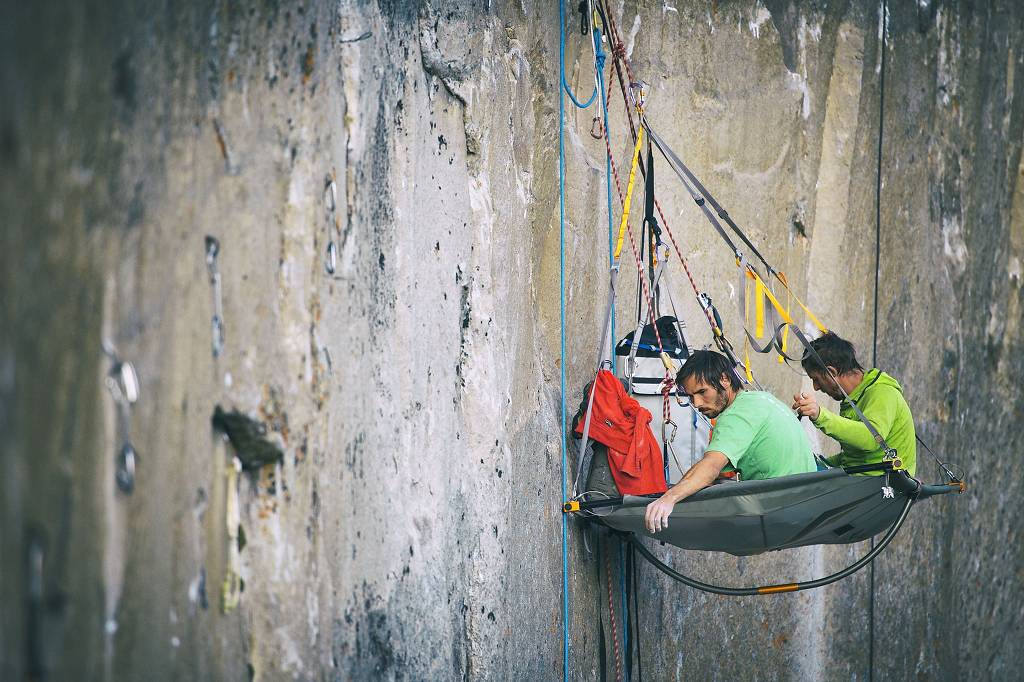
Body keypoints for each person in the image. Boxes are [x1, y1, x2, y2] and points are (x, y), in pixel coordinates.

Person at [644, 350, 816, 534]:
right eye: (691, 396)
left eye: (702, 392)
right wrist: (675, 491)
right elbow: (706, 467)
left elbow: (710, 467)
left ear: (725, 379)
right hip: (808, 503)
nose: (697, 403)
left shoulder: (735, 415)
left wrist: (668, 499)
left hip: (780, 510)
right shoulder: (761, 399)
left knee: (694, 515)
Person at [791, 331, 916, 476]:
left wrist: (820, 415)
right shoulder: (852, 398)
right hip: (861, 483)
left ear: (831, 371)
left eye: (816, 379)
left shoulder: (883, 393)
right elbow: (856, 457)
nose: (816, 387)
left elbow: (872, 438)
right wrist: (820, 462)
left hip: (881, 488)